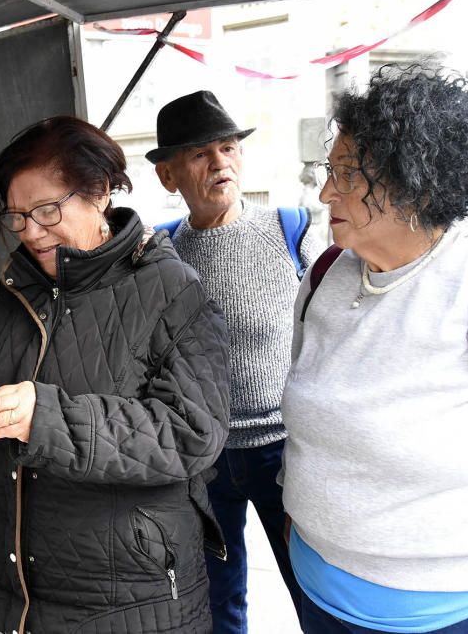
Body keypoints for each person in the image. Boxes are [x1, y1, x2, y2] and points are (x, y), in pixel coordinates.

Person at [0, 116, 231, 634]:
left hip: (134, 602)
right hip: (24, 596)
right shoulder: (18, 286)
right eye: (16, 216)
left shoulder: (171, 288)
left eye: (46, 210)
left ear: (101, 191)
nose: (32, 232)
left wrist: (46, 418)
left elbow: (192, 431)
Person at [282, 63, 468, 634]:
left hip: (444, 612)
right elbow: (303, 416)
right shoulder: (322, 274)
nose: (324, 192)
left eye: (346, 175)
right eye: (328, 170)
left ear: (413, 184)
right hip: (318, 591)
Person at [147, 90, 321, 632]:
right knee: (218, 601)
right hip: (205, 459)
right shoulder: (164, 252)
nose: (221, 163)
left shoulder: (291, 230)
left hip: (284, 454)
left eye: (227, 148)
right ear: (169, 176)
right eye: (200, 154)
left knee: (311, 590)